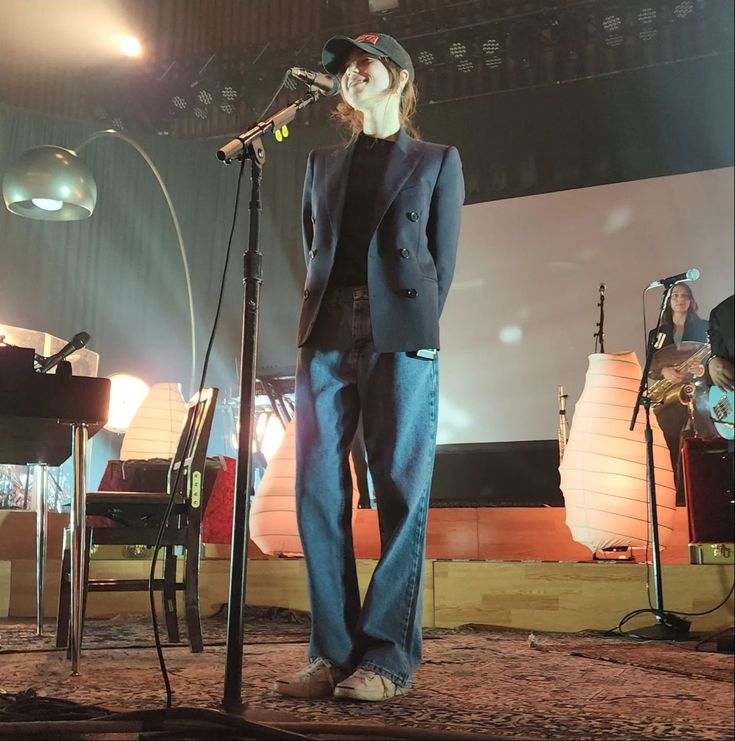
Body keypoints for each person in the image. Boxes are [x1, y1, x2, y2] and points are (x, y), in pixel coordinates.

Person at [274, 32, 464, 702]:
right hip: (326, 327)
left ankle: (386, 657)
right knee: (317, 492)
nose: (350, 74)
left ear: (398, 79)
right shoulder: (321, 162)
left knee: (398, 488)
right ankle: (332, 652)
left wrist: (411, 327)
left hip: (399, 330)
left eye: (364, 65)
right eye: (344, 69)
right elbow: (314, 246)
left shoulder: (437, 160)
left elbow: (441, 260)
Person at [648, 282, 712, 502]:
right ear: (668, 301)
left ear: (692, 300)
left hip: (699, 394)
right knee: (668, 445)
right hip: (669, 398)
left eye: (684, 295)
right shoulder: (657, 333)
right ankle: (670, 498)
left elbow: (714, 358)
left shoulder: (705, 327)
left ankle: (699, 494)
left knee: (700, 442)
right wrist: (663, 370)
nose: (679, 299)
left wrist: (704, 368)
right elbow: (651, 368)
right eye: (675, 295)